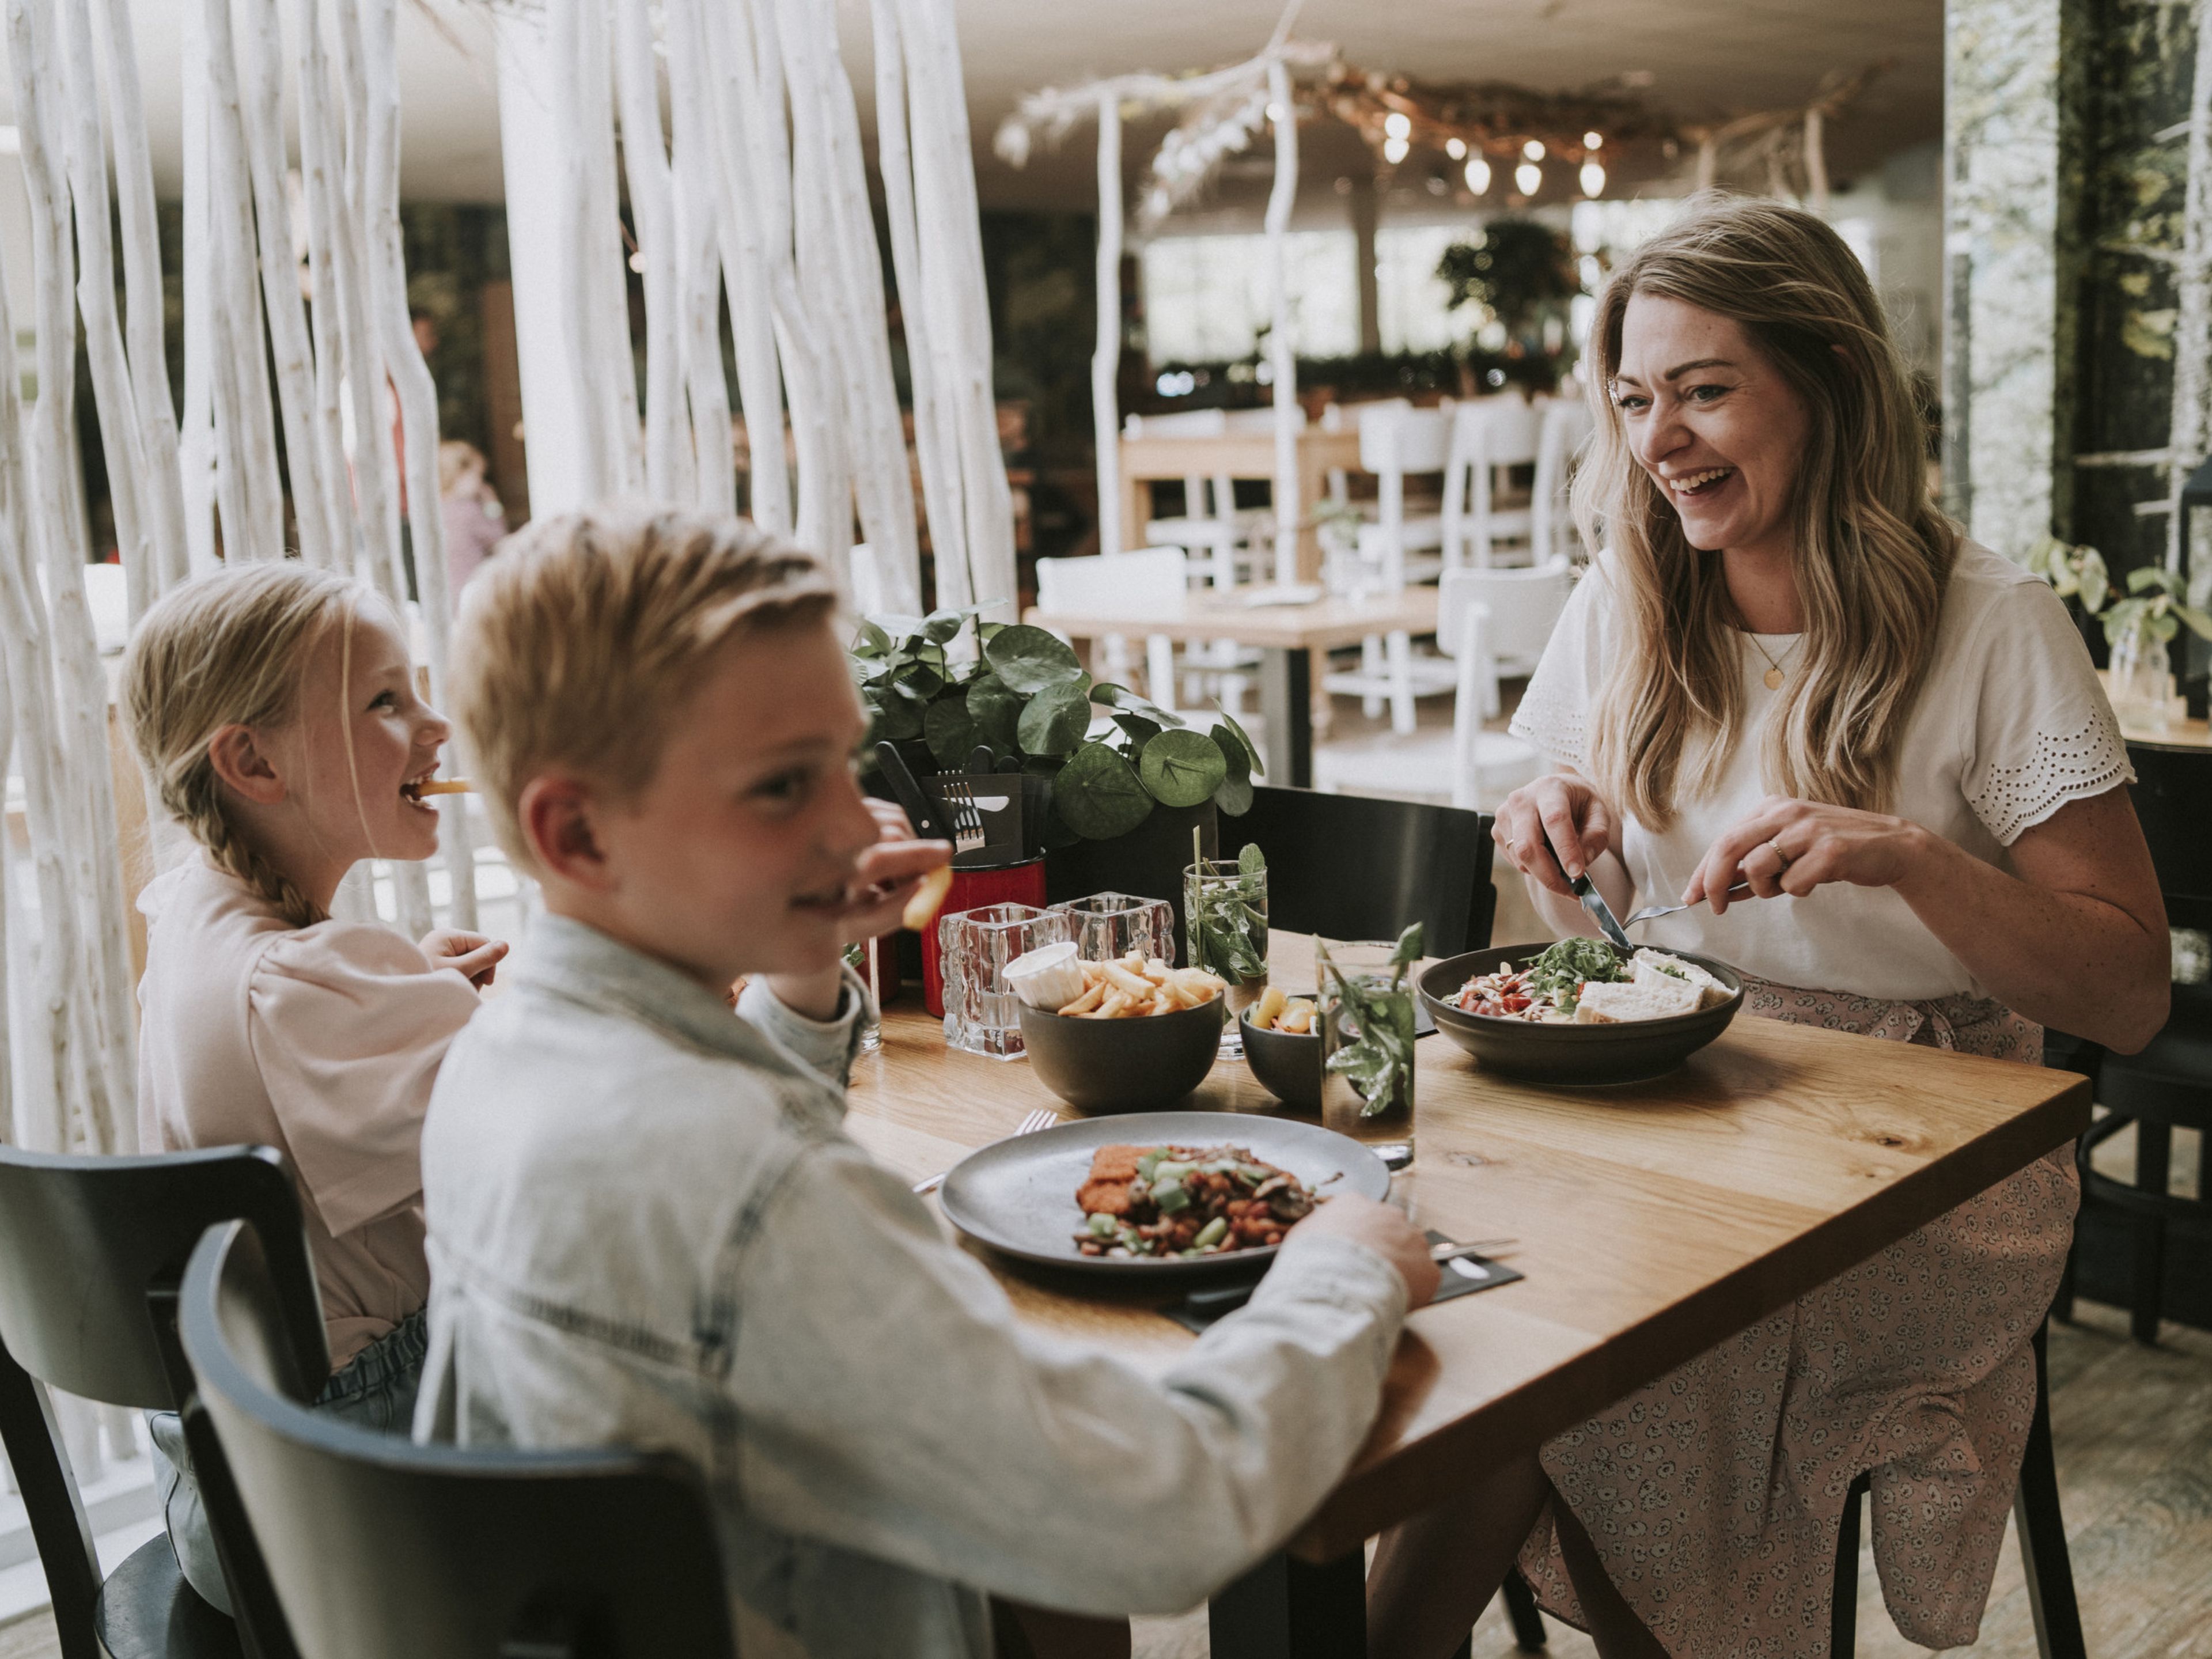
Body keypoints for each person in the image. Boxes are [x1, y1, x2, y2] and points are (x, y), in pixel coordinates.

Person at [412, 504, 1445, 1659]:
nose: (861, 828)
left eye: (844, 769)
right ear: (579, 836)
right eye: (781, 788)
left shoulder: (494, 1061)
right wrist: (1341, 1275)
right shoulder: (750, 1192)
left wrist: (803, 966)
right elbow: (1162, 1514)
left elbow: (725, 1151)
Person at [1371, 195, 2171, 1659]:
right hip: (1671, 1097)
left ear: (1827, 385)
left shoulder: (1992, 624)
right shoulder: (1622, 600)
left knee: (1622, 1355)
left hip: (1933, 1143)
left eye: (1702, 389)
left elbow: (2125, 991)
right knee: (1467, 1318)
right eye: (1629, 400)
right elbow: (1599, 928)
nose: (1655, 439)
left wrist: (1912, 859)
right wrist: (1549, 834)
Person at [124, 561, 507, 1613]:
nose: (434, 727)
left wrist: (405, 990)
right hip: (351, 1492)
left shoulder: (200, 918)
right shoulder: (312, 990)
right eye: (386, 701)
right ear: (251, 760)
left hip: (224, 1482)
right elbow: (569, 1127)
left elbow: (297, 1048)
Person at [438, 439, 508, 604]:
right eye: (477, 475)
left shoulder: (439, 509)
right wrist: (492, 504)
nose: (481, 483)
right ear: (460, 474)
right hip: (472, 586)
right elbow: (500, 540)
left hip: (447, 590)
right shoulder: (469, 510)